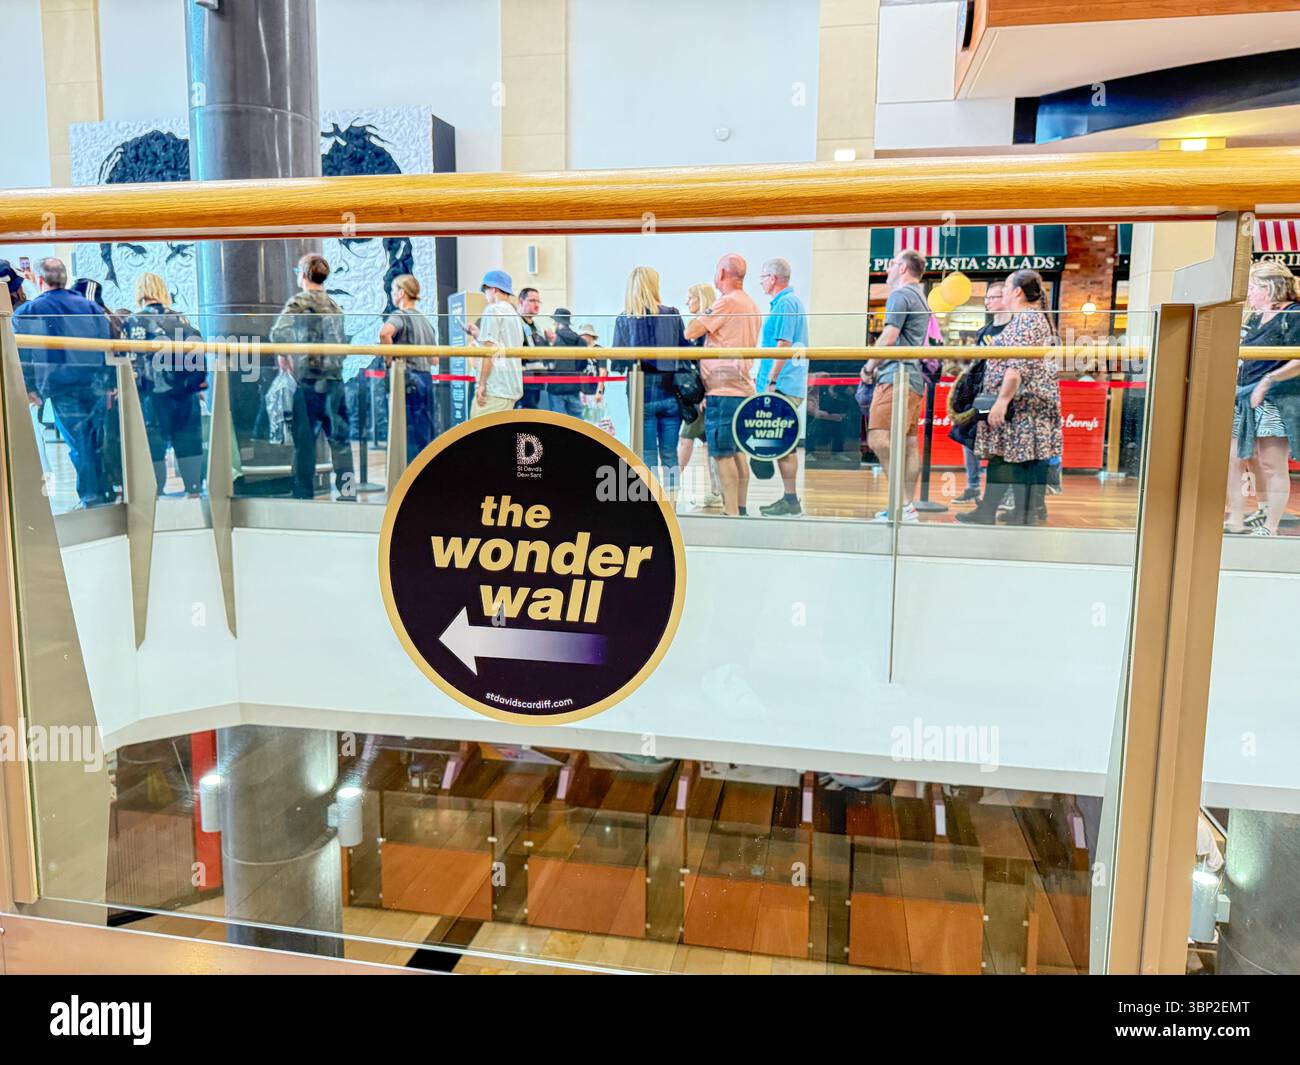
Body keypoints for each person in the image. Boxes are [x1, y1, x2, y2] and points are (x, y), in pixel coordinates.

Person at [956, 269, 1062, 526]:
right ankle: (1005, 511)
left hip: (1023, 404)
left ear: (1017, 291)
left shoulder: (1027, 319)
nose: (1002, 291)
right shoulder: (1030, 318)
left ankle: (1013, 513)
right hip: (1024, 403)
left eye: (1005, 286)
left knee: (1014, 457)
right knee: (1011, 456)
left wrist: (1001, 401)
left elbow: (1016, 366)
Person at [14, 257, 113, 508]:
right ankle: (103, 492)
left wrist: (29, 388)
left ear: (38, 280)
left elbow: (22, 353)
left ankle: (92, 497)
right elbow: (108, 346)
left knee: (79, 442)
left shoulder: (28, 311)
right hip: (96, 383)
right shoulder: (91, 307)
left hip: (61, 387)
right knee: (97, 438)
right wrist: (111, 382)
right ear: (65, 278)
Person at [270, 253, 355, 500]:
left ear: (304, 275)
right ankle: (348, 495)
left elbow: (278, 333)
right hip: (335, 383)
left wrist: (286, 354)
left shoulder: (299, 302)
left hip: (308, 383)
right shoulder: (336, 306)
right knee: (341, 445)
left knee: (304, 446)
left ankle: (303, 497)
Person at [1226, 260, 1300, 537]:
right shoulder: (1255, 317)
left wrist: (1268, 381)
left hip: (1276, 398)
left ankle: (1271, 525)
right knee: (1237, 456)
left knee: (1271, 461)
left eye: (1252, 287)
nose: (1249, 294)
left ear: (1269, 288)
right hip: (1243, 396)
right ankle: (1239, 515)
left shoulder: (1293, 315)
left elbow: (1297, 360)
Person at [685, 253, 759, 516]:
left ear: (722, 275)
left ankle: (731, 514)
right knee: (738, 453)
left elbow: (690, 331)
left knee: (723, 453)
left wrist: (706, 312)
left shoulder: (726, 303)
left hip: (723, 390)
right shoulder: (750, 303)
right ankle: (739, 508)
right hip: (743, 387)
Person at [124, 272, 206, 497]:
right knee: (188, 440)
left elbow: (129, 361)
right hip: (184, 392)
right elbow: (198, 353)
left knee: (154, 445)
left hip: (150, 393)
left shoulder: (134, 322)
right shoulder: (181, 319)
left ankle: (155, 490)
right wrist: (195, 384)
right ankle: (194, 489)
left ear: (140, 291)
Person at [863, 250, 930, 523]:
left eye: (891, 264)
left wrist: (869, 366)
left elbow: (889, 338)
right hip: (913, 379)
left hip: (895, 377)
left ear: (902, 268)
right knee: (908, 443)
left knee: (879, 439)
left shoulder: (900, 295)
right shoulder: (921, 299)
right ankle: (906, 506)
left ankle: (900, 504)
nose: (888, 269)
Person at [613, 266, 687, 497]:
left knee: (646, 455)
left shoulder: (624, 319)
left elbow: (617, 363)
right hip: (670, 393)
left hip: (640, 394)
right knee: (670, 453)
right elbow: (685, 351)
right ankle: (673, 504)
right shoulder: (672, 314)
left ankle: (653, 505)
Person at [755, 257, 809, 517]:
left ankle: (791, 500)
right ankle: (789, 498)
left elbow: (783, 346)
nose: (762, 283)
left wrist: (772, 382)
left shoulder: (786, 304)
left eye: (762, 278)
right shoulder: (787, 303)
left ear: (772, 278)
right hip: (783, 384)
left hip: (783, 385)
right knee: (780, 442)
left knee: (782, 443)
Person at [950, 282, 1011, 504]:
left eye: (993, 297)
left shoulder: (1012, 329)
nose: (988, 301)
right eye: (987, 297)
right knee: (968, 436)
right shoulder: (984, 331)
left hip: (1005, 391)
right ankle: (973, 486)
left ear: (1005, 298)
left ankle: (1003, 493)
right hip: (981, 391)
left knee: (1002, 442)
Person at [378, 274, 437, 461]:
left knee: (407, 432)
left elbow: (384, 333)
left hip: (408, 380)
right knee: (424, 432)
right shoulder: (426, 322)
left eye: (394, 291)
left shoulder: (399, 316)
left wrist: (389, 359)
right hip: (426, 380)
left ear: (402, 293)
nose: (392, 295)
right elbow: (434, 359)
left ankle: (409, 480)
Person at [678, 282, 722, 508]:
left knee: (686, 439)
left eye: (690, 298)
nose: (687, 302)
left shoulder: (704, 328)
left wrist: (708, 392)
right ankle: (716, 491)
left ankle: (670, 486)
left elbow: (708, 363)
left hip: (705, 395)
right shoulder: (703, 326)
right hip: (703, 394)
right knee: (708, 445)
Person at [465, 269, 524, 416]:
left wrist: (482, 384)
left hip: (495, 388)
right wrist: (479, 335)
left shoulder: (492, 310)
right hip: (510, 388)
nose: (485, 296)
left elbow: (489, 351)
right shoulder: (514, 314)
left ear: (494, 289)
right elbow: (502, 345)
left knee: (476, 434)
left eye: (485, 290)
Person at [542, 307, 585, 419]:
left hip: (556, 388)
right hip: (574, 387)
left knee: (559, 425)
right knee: (578, 424)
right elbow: (583, 365)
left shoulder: (553, 340)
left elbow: (547, 362)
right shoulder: (580, 341)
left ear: (557, 322)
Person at [516, 287, 550, 410]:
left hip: (537, 383)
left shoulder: (536, 326)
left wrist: (549, 342)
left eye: (538, 301)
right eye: (532, 300)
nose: (536, 305)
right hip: (523, 383)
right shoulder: (515, 324)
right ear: (521, 301)